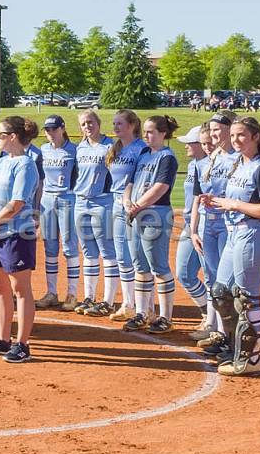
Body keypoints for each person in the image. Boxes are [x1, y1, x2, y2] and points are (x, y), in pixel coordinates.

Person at [208, 117, 260, 374]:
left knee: (247, 299)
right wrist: (217, 200)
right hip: (234, 234)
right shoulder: (239, 164)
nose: (236, 140)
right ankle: (235, 347)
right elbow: (234, 199)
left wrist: (233, 205)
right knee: (220, 292)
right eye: (234, 135)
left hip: (252, 235)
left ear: (256, 137)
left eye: (242, 136)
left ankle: (251, 359)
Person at [0, 116, 41, 362]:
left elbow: (17, 202)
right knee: (0, 287)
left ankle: (22, 344)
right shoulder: (0, 163)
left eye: (0, 134)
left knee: (20, 289)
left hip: (16, 233)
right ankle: (3, 339)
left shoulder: (26, 165)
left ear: (13, 137)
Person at [124, 115, 181, 333]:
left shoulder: (167, 157)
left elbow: (160, 187)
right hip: (136, 214)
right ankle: (142, 312)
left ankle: (166, 317)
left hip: (156, 214)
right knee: (140, 266)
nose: (146, 136)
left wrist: (137, 205)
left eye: (151, 132)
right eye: (145, 131)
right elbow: (129, 182)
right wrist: (127, 201)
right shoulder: (144, 153)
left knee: (158, 266)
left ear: (163, 134)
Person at [193, 111, 237, 356]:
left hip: (227, 223)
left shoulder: (239, 158)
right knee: (212, 278)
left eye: (218, 129)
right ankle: (219, 332)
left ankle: (232, 334)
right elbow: (199, 197)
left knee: (227, 280)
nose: (213, 134)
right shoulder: (212, 159)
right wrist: (194, 228)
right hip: (208, 223)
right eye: (211, 130)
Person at [72, 110, 116, 316]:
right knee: (88, 252)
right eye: (83, 124)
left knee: (107, 250)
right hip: (81, 202)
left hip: (102, 202)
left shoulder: (110, 145)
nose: (87, 126)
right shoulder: (80, 147)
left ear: (98, 123)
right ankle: (89, 296)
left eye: (90, 122)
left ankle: (108, 300)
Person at [105, 110, 147, 322]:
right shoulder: (116, 148)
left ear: (132, 125)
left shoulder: (141, 148)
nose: (116, 127)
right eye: (114, 124)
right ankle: (128, 304)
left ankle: (145, 306)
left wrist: (134, 202)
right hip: (116, 204)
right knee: (122, 255)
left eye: (120, 123)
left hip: (135, 206)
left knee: (139, 256)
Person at [36, 114, 80, 311]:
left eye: (54, 129)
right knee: (50, 248)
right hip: (47, 200)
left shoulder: (74, 150)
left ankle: (72, 294)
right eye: (47, 130)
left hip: (67, 199)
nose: (50, 133)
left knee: (70, 247)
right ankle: (51, 292)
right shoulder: (43, 150)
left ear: (62, 128)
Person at [174, 126, 211, 332]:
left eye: (190, 142)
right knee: (184, 273)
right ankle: (207, 310)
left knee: (210, 276)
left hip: (207, 227)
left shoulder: (211, 165)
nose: (186, 146)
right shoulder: (192, 166)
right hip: (190, 225)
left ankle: (216, 321)